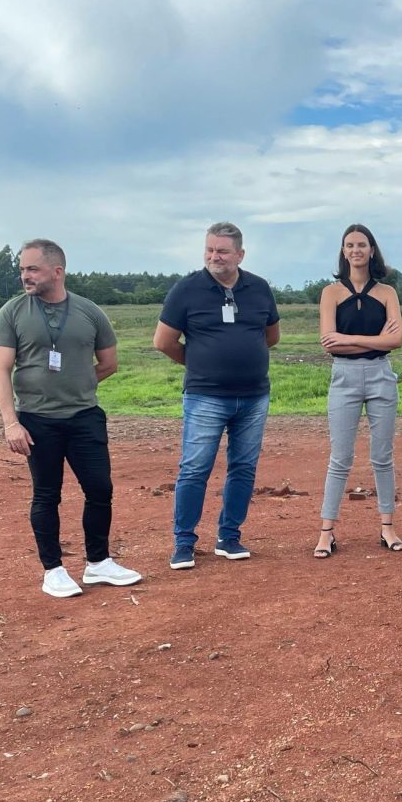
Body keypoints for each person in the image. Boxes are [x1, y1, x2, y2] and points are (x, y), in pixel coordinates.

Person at [0, 239, 142, 598]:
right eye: (22, 269)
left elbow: (109, 363)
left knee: (100, 489)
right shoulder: (12, 313)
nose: (24, 276)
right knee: (46, 495)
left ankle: (98, 563)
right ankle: (53, 569)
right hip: (36, 421)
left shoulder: (90, 312)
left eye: (32, 269)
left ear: (57, 271)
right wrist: (11, 422)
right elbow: (0, 369)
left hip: (85, 417)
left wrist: (77, 383)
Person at [154, 222, 280, 569]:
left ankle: (230, 536)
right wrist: (197, 364)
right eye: (209, 250)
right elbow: (163, 342)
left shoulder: (259, 289)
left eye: (222, 251)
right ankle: (184, 542)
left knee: (243, 467)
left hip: (254, 396)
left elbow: (271, 336)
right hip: (205, 396)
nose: (214, 257)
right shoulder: (186, 290)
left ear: (240, 254)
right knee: (195, 468)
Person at [314, 224, 402, 557]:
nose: (356, 250)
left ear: (371, 250)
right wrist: (372, 339)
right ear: (343, 251)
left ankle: (387, 527)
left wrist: (349, 339)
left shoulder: (387, 293)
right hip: (344, 377)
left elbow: (395, 341)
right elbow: (329, 343)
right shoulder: (330, 293)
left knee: (382, 457)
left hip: (382, 374)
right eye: (350, 245)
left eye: (362, 245)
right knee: (340, 457)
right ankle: (326, 531)